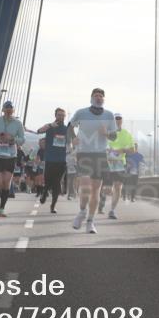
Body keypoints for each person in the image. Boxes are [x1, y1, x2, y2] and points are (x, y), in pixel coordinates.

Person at [68, 88, 117, 234]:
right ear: (91, 98)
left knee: (96, 190)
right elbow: (70, 127)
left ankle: (90, 221)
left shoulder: (109, 115)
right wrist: (73, 138)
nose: (98, 98)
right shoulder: (81, 112)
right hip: (84, 153)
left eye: (101, 96)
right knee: (85, 187)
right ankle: (82, 212)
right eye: (96, 95)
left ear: (104, 99)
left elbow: (114, 137)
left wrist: (106, 133)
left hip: (100, 155)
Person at [0, 101, 25, 217]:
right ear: (3, 110)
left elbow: (22, 139)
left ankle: (2, 208)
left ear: (13, 110)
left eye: (10, 109)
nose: (8, 111)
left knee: (6, 182)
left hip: (11, 155)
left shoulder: (18, 123)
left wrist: (12, 138)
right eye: (6, 109)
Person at [103, 114, 136, 219]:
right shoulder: (105, 132)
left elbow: (133, 150)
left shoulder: (126, 134)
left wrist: (122, 150)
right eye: (115, 119)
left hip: (119, 163)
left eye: (119, 119)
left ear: (122, 121)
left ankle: (112, 210)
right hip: (105, 163)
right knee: (106, 189)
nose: (117, 120)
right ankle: (100, 202)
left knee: (118, 187)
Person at [38, 108, 70, 214]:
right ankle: (44, 192)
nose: (61, 117)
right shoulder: (49, 127)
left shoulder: (66, 129)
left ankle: (53, 205)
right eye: (59, 115)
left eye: (63, 115)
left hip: (61, 160)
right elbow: (39, 131)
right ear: (55, 115)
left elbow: (71, 143)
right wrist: (50, 126)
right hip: (50, 159)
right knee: (48, 180)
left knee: (57, 182)